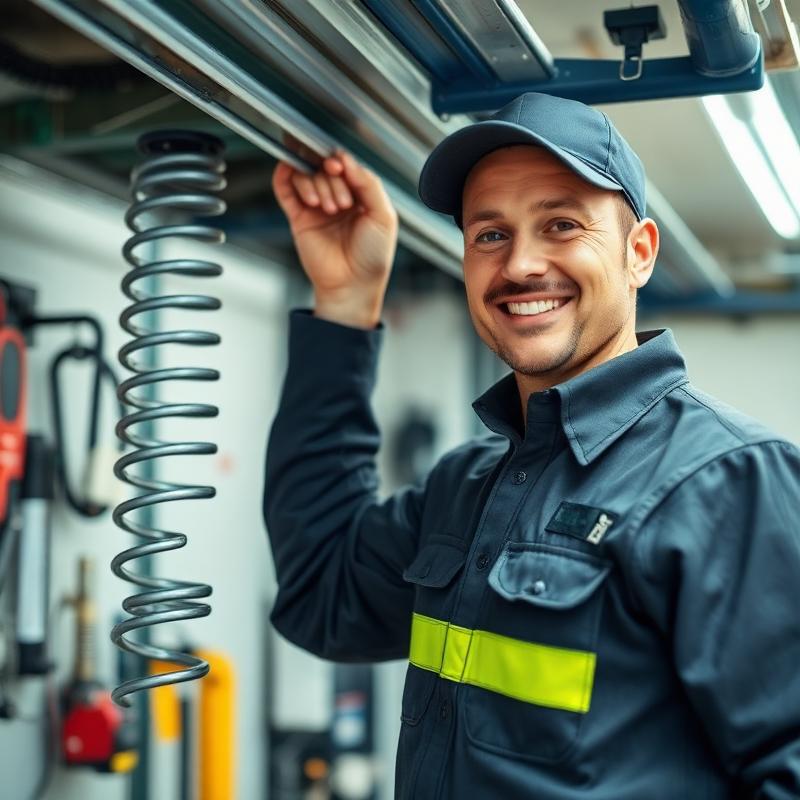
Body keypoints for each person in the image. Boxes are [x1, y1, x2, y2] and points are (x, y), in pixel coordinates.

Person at [264, 92, 800, 799]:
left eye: (562, 224)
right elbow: (324, 594)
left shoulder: (728, 481)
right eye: (490, 234)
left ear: (638, 253)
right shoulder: (467, 490)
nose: (520, 265)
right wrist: (346, 303)